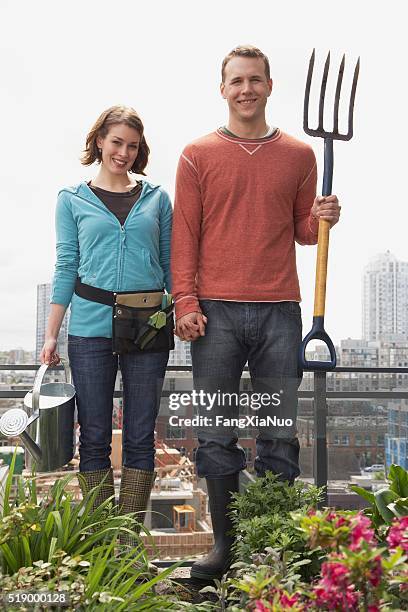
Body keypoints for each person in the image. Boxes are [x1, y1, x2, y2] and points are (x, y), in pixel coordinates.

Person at [171, 46, 340, 580]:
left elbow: (304, 232)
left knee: (278, 435)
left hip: (278, 313)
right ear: (222, 89)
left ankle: (268, 549)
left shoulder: (299, 155)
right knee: (216, 432)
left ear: (270, 86)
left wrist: (324, 216)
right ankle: (225, 549)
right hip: (215, 315)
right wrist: (186, 302)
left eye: (255, 80)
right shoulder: (196, 154)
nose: (246, 89)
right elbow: (185, 236)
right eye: (236, 81)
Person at [40, 105, 172, 542]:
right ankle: (101, 538)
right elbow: (66, 266)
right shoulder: (72, 200)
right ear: (99, 141)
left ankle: (127, 541)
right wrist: (51, 334)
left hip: (147, 327)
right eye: (116, 142)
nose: (124, 152)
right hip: (91, 328)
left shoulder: (157, 198)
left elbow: (171, 265)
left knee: (140, 436)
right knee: (93, 436)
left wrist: (184, 310)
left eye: (132, 146)